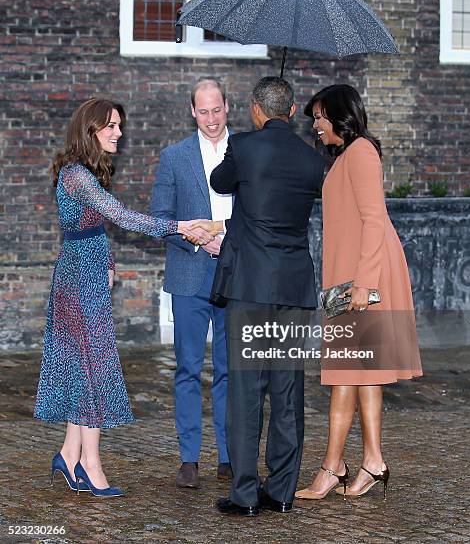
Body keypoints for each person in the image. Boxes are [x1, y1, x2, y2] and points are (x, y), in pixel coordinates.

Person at [34, 98, 212, 497]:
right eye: (111, 126)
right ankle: (90, 464)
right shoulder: (77, 175)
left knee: (83, 368)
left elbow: (94, 227)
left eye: (119, 126)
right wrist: (180, 226)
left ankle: (69, 454)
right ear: (90, 129)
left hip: (89, 271)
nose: (119, 133)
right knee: (93, 367)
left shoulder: (87, 174)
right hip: (79, 278)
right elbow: (123, 217)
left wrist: (110, 260)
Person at [204, 77, 326, 516]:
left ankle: (244, 494)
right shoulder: (312, 160)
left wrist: (238, 149)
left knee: (246, 391)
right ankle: (282, 492)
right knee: (288, 391)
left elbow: (220, 183)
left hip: (251, 288)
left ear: (256, 109)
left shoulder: (244, 146)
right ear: (292, 112)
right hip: (294, 288)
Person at [295, 84, 422, 502]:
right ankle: (367, 462)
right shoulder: (346, 156)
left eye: (319, 117)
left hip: (365, 280)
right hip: (349, 279)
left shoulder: (362, 152)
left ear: (340, 115)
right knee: (358, 372)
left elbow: (373, 220)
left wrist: (365, 286)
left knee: (349, 372)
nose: (315, 125)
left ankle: (337, 466)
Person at [150, 78, 233, 489]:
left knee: (229, 369)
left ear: (227, 107)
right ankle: (189, 459)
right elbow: (161, 220)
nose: (212, 118)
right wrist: (194, 237)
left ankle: (229, 456)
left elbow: (259, 213)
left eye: (217, 109)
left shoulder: (246, 153)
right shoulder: (173, 157)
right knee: (187, 368)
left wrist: (227, 237)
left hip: (235, 273)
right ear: (192, 111)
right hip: (188, 275)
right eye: (204, 111)